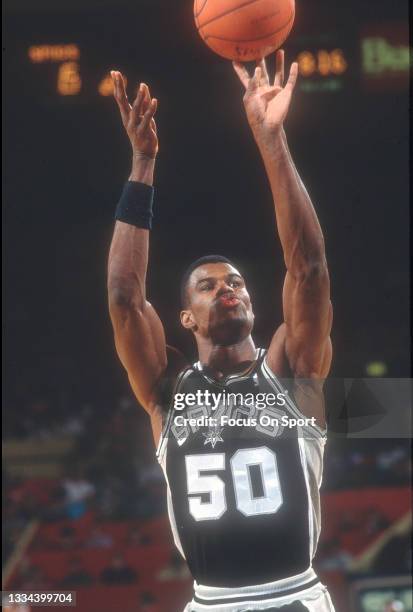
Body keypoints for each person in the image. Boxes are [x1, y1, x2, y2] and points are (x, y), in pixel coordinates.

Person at [108, 50, 334, 612]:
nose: (227, 288)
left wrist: (271, 139)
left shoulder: (292, 370)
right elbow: (123, 296)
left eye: (235, 281)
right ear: (184, 318)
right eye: (207, 287)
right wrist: (141, 162)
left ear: (254, 304)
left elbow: (307, 267)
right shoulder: (167, 389)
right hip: (211, 603)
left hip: (295, 597)